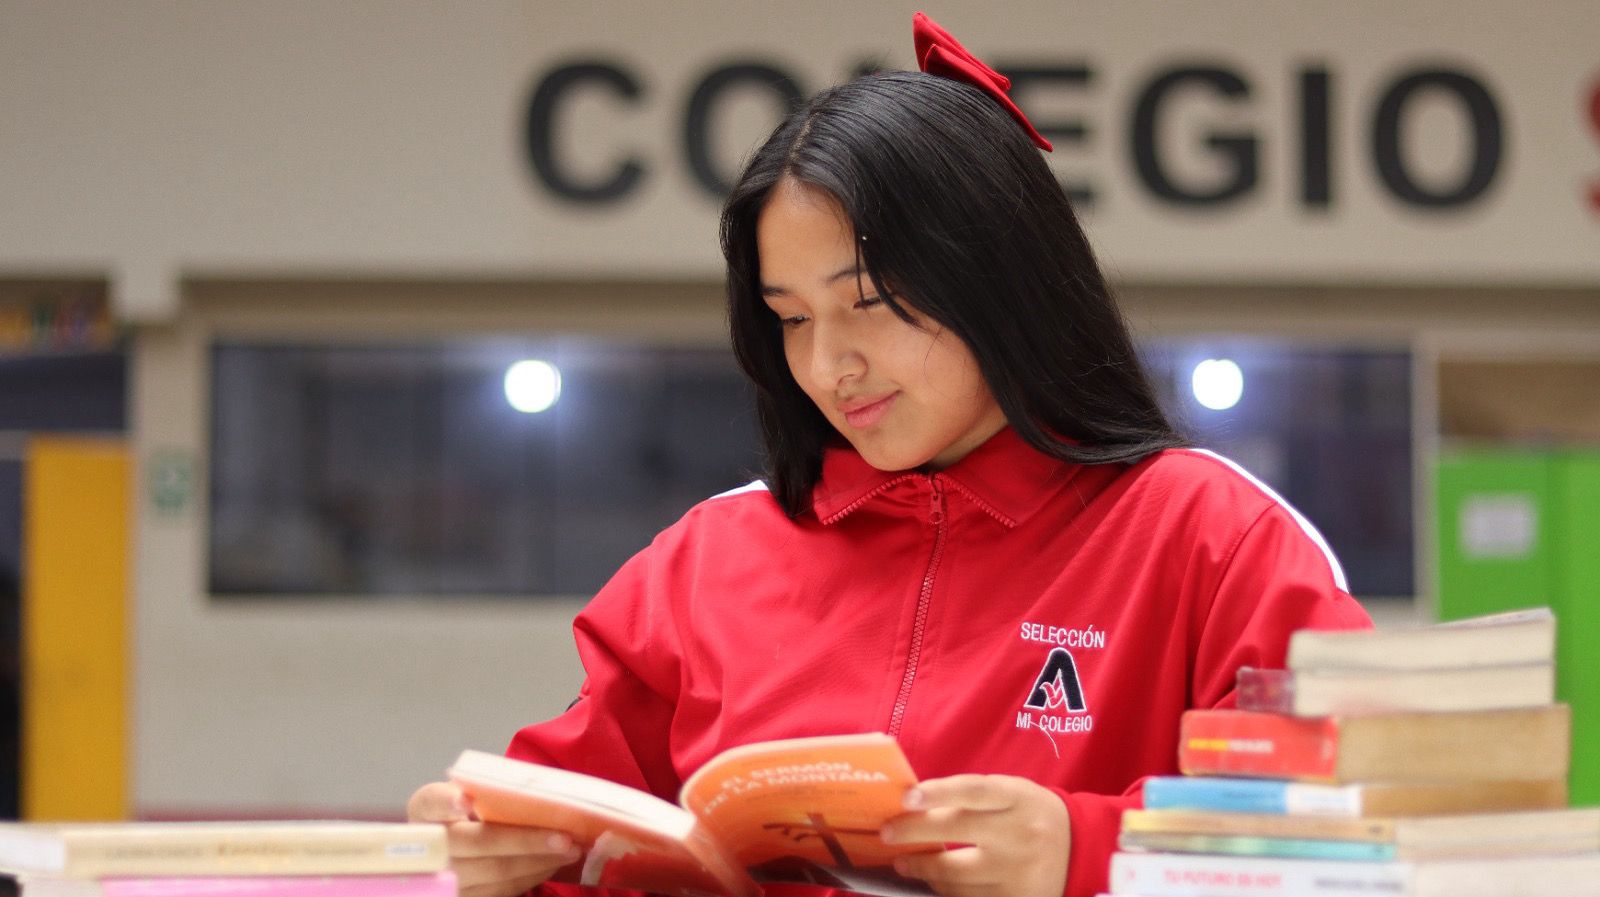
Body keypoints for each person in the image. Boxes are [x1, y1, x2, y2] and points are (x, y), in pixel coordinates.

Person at [409, 13, 1372, 897]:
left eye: (866, 302)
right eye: (791, 318)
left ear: (999, 275)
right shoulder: (707, 562)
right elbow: (563, 814)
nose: (830, 367)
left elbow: (1362, 834)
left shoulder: (1211, 538)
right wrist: (481, 852)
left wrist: (1093, 848)